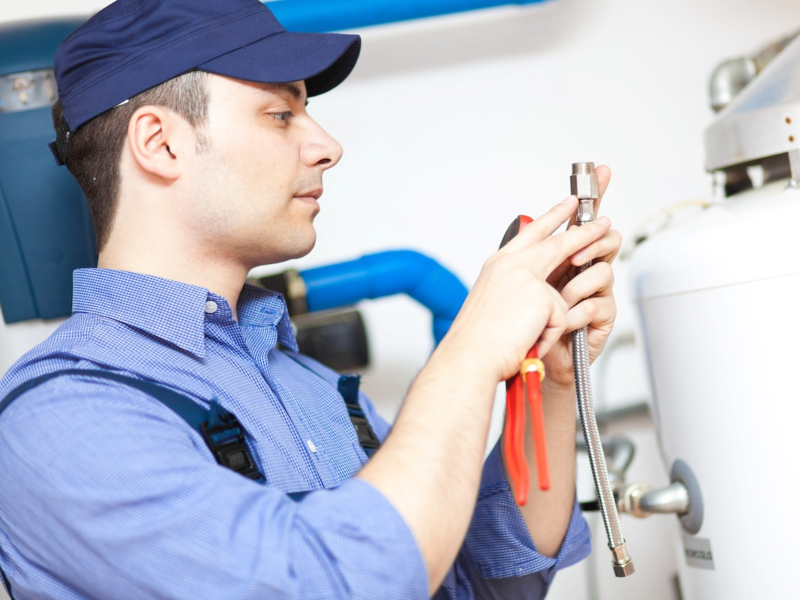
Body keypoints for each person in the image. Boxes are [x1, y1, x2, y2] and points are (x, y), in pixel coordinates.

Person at [0, 0, 621, 598]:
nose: (328, 145)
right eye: (280, 114)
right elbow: (332, 585)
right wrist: (471, 350)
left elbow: (478, 584)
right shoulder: (61, 420)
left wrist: (555, 382)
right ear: (161, 144)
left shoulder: (313, 385)